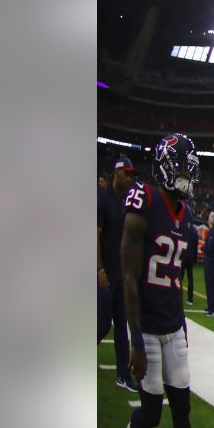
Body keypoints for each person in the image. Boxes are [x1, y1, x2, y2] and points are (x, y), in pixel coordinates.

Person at [117, 133, 214, 428]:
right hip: (147, 328)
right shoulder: (143, 197)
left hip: (173, 325)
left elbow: (175, 279)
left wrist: (182, 324)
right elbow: (130, 275)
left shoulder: (185, 217)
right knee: (152, 412)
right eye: (185, 167)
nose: (190, 175)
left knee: (182, 407)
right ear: (167, 166)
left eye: (191, 169)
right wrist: (135, 338)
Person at [98, 154, 138, 392]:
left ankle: (123, 374)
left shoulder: (125, 201)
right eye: (127, 174)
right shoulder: (102, 200)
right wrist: (98, 268)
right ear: (117, 173)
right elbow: (95, 235)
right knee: (103, 325)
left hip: (120, 274)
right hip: (105, 274)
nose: (130, 178)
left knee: (122, 327)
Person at [201, 213, 214, 317]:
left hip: (211, 262)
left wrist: (202, 248)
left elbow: (209, 248)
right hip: (212, 261)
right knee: (210, 285)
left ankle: (213, 309)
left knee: (211, 286)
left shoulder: (212, 233)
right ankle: (211, 306)